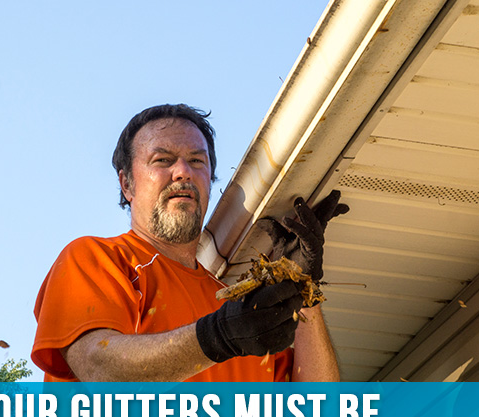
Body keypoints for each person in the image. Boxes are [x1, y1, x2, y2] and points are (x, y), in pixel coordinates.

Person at [31, 104, 348, 382]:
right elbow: (99, 369)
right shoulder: (97, 259)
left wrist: (304, 290)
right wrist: (218, 338)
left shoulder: (237, 309)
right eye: (163, 160)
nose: (182, 172)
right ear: (126, 182)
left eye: (197, 161)